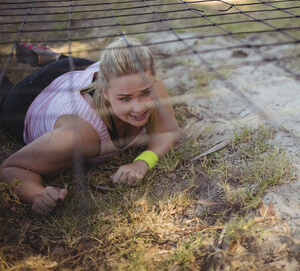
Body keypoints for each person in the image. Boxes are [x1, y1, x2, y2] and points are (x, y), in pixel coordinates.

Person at [0, 37, 181, 215]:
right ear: (105, 93)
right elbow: (11, 167)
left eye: (145, 93)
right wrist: (36, 194)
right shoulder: (78, 135)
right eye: (125, 98)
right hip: (30, 99)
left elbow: (168, 132)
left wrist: (142, 162)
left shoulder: (143, 79)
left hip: (80, 70)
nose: (139, 107)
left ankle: (55, 59)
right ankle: (51, 63)